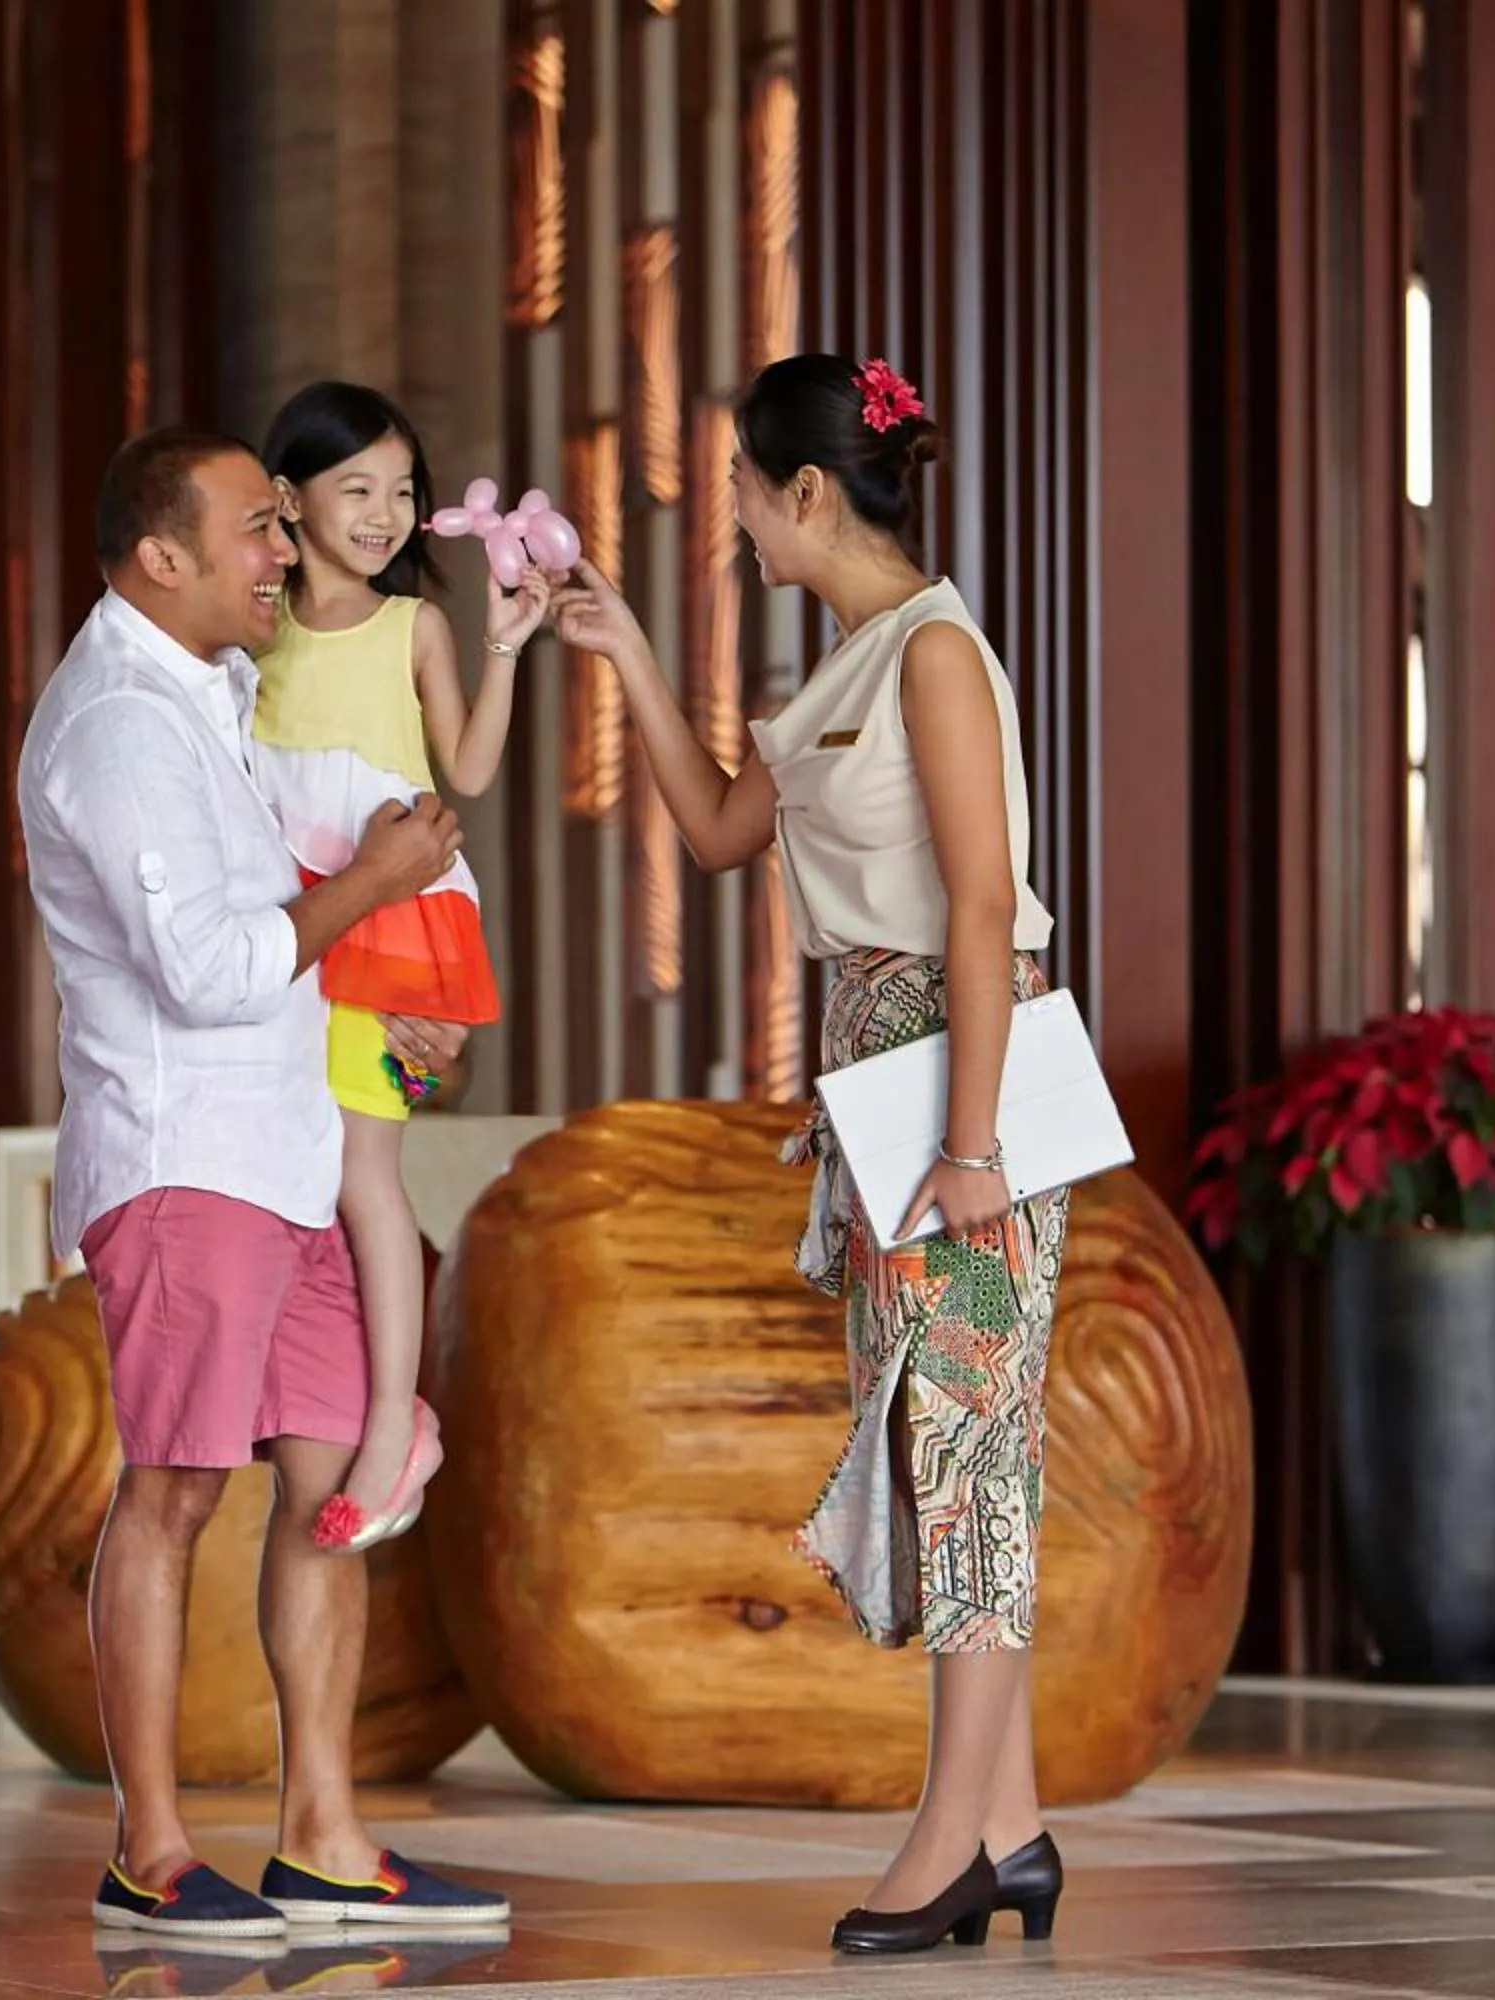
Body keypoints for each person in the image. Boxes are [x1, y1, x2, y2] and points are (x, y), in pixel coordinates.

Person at [555, 355, 1068, 1955]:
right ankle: (1015, 1825)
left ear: (804, 493)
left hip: (966, 1077)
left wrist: (974, 1145)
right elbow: (717, 829)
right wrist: (629, 655)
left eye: (737, 488)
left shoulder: (930, 654)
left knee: (971, 1462)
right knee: (939, 1447)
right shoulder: (846, 663)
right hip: (885, 1072)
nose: (730, 520)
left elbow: (982, 906)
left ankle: (949, 1848)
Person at [17, 425, 512, 1939]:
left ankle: (324, 1838)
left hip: (290, 1152)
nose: (284, 552)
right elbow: (212, 966)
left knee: (324, 1499)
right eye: (256, 528)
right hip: (185, 1165)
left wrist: (395, 977)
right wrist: (368, 883)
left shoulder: (217, 695)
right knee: (171, 1492)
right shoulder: (115, 722)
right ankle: (149, 1848)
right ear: (161, 556)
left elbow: (278, 928)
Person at [250, 381, 549, 1552]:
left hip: (395, 916)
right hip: (284, 923)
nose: (384, 512)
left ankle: (391, 1424)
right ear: (288, 497)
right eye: (355, 487)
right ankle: (326, 1403)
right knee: (305, 1170)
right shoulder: (252, 631)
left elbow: (466, 770)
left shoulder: (409, 627)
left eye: (402, 490)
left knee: (363, 1174)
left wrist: (506, 646)